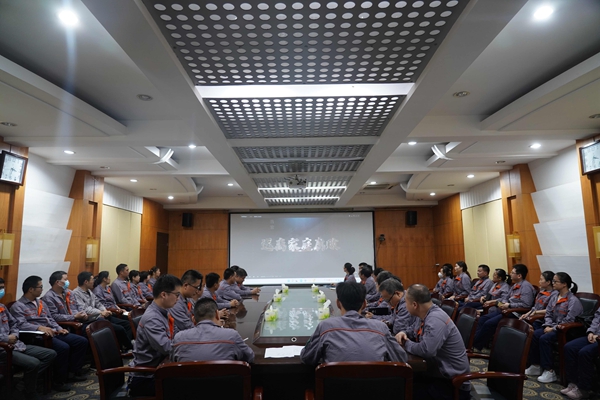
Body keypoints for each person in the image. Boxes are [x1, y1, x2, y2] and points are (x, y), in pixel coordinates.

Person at [10, 275, 88, 388]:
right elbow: (20, 324)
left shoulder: (41, 302)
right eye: (40, 287)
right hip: (37, 336)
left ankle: (73, 372)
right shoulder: (18, 306)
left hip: (52, 331)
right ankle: (58, 381)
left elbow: (50, 319)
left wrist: (59, 328)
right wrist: (39, 328)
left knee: (80, 341)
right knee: (63, 348)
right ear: (31, 289)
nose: (42, 289)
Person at [395, 284, 471, 400]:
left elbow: (426, 350)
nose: (405, 305)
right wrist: (403, 332)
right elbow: (413, 330)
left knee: (403, 393)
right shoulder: (423, 314)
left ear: (414, 305)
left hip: (453, 384)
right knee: (402, 383)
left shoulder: (435, 319)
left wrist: (406, 343)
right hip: (436, 372)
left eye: (406, 302)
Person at [300, 282, 406, 364]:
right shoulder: (381, 328)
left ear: (338, 303)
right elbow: (401, 358)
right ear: (364, 304)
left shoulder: (325, 327)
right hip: (374, 386)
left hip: (335, 386)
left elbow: (306, 357)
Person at [0, 278, 58, 399]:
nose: (2, 291)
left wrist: (15, 335)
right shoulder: (18, 305)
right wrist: (6, 338)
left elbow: (14, 324)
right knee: (34, 363)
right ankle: (29, 392)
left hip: (17, 344)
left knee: (50, 354)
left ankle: (23, 385)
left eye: (2, 288)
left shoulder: (2, 307)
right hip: (4, 349)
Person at [128, 274, 182, 397]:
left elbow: (177, 334)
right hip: (146, 377)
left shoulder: (164, 311)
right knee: (187, 386)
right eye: (177, 295)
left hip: (159, 369)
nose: (178, 299)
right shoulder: (152, 318)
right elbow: (166, 348)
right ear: (164, 294)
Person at [525, 272, 583, 383]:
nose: (553, 283)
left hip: (565, 330)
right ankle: (536, 365)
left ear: (564, 284)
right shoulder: (555, 296)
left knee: (544, 338)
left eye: (555, 281)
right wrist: (547, 324)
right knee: (535, 334)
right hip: (551, 326)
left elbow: (569, 320)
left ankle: (549, 371)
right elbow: (548, 313)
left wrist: (553, 328)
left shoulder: (573, 301)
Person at [472, 264, 535, 351]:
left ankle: (476, 346)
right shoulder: (514, 285)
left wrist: (509, 305)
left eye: (512, 273)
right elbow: (506, 298)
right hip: (505, 310)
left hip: (515, 313)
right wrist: (502, 303)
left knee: (489, 323)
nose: (510, 274)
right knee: (483, 319)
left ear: (519, 275)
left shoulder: (526, 287)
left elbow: (526, 305)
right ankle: (473, 342)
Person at [171, 298, 254, 362]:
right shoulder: (232, 336)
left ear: (193, 320)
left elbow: (172, 361)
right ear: (217, 315)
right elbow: (250, 357)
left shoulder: (178, 338)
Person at [72, 271, 133, 350]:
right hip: (91, 319)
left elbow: (98, 303)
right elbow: (85, 309)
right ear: (86, 282)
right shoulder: (76, 293)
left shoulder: (89, 291)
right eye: (92, 279)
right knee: (119, 328)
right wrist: (101, 312)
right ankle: (127, 348)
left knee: (126, 324)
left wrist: (104, 311)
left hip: (101, 315)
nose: (94, 281)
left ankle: (125, 347)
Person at [562, 305, 600, 399]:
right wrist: (591, 332)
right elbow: (596, 319)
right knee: (569, 347)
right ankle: (573, 383)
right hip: (594, 335)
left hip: (598, 338)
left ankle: (583, 389)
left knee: (585, 352)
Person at [169, 269, 203, 334]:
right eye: (196, 287)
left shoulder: (187, 299)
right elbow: (187, 327)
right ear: (186, 285)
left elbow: (196, 316)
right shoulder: (176, 302)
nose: (197, 291)